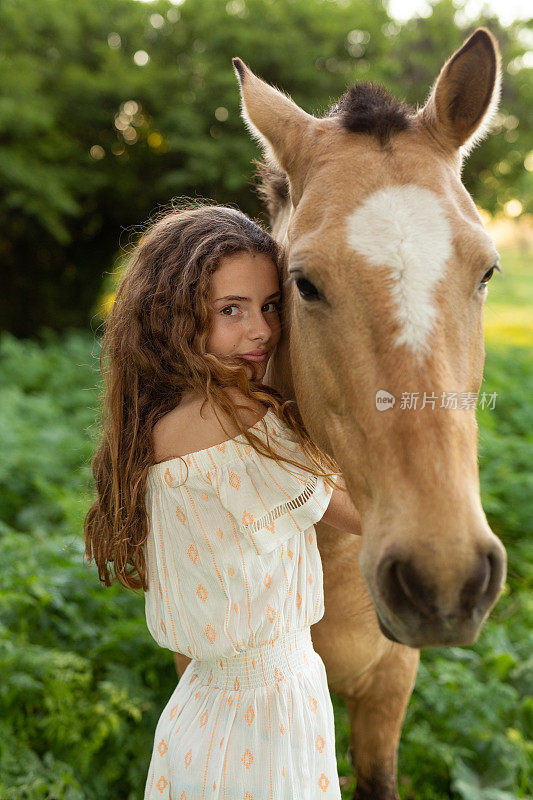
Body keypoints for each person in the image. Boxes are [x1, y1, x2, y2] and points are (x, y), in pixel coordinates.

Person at [84, 201, 361, 800]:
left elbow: (189, 647)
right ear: (173, 319)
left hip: (204, 714)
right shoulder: (236, 413)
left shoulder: (157, 427)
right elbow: (361, 513)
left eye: (269, 307)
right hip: (267, 714)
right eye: (229, 310)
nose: (259, 330)